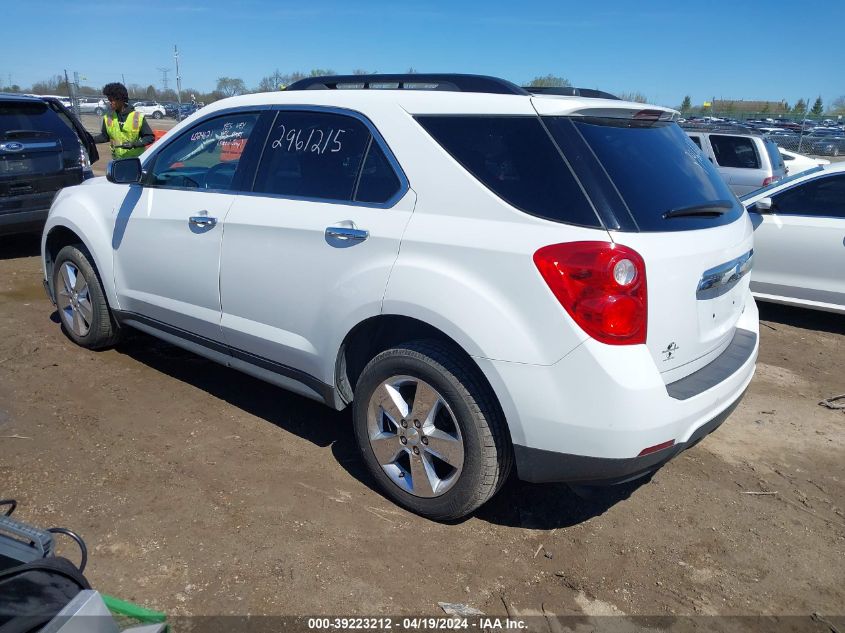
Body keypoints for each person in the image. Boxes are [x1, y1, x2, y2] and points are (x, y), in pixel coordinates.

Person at [91, 82, 154, 159]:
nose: (110, 103)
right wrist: (89, 140)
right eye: (109, 100)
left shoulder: (137, 117)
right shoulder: (108, 117)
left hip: (135, 161)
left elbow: (149, 137)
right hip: (117, 161)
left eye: (111, 100)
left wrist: (133, 144)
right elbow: (105, 136)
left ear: (120, 99)